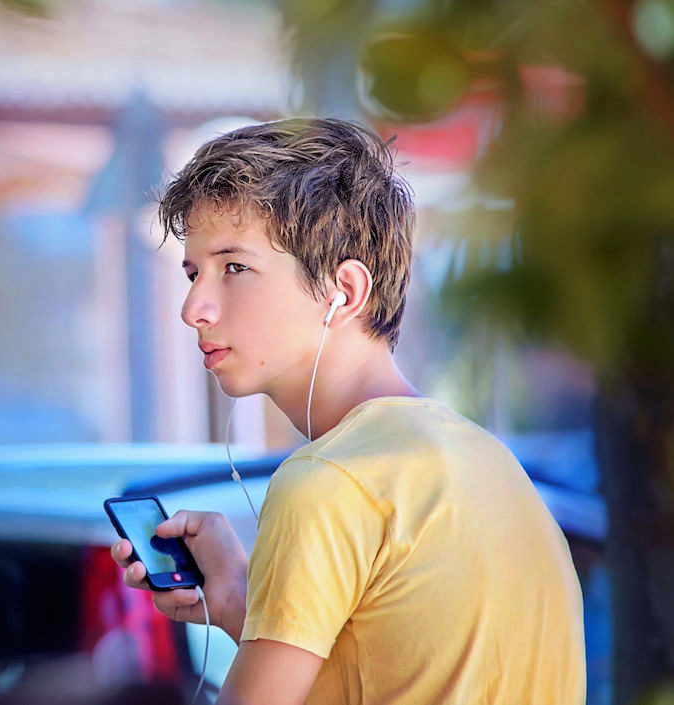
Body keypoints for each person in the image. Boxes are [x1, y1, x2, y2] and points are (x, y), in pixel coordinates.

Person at [110, 118, 586, 704]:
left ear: (346, 291)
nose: (193, 308)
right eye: (192, 273)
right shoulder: (496, 467)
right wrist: (236, 602)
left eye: (234, 267)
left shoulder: (327, 481)